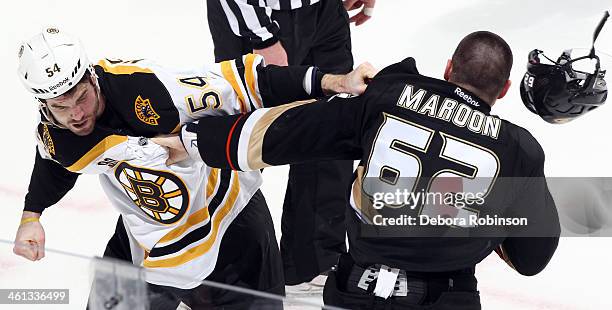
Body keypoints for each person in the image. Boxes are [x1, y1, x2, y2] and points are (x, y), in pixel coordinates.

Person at [157, 31, 561, 309]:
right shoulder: (519, 150)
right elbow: (533, 257)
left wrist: (197, 140)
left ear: (448, 68)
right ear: (504, 90)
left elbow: (291, 132)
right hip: (445, 296)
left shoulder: (388, 95)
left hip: (356, 287)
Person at [12, 27, 375, 309]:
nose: (77, 113)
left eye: (82, 97)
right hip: (147, 241)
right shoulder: (58, 131)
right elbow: (56, 159)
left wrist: (335, 82)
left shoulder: (149, 88)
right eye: (62, 106)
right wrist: (32, 215)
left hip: (230, 225)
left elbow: (252, 84)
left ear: (91, 76)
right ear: (44, 106)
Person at [206, 0, 376, 286]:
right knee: (243, 137)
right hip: (256, 19)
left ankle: (311, 267)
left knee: (333, 126)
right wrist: (260, 35)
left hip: (325, 11)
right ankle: (218, 269)